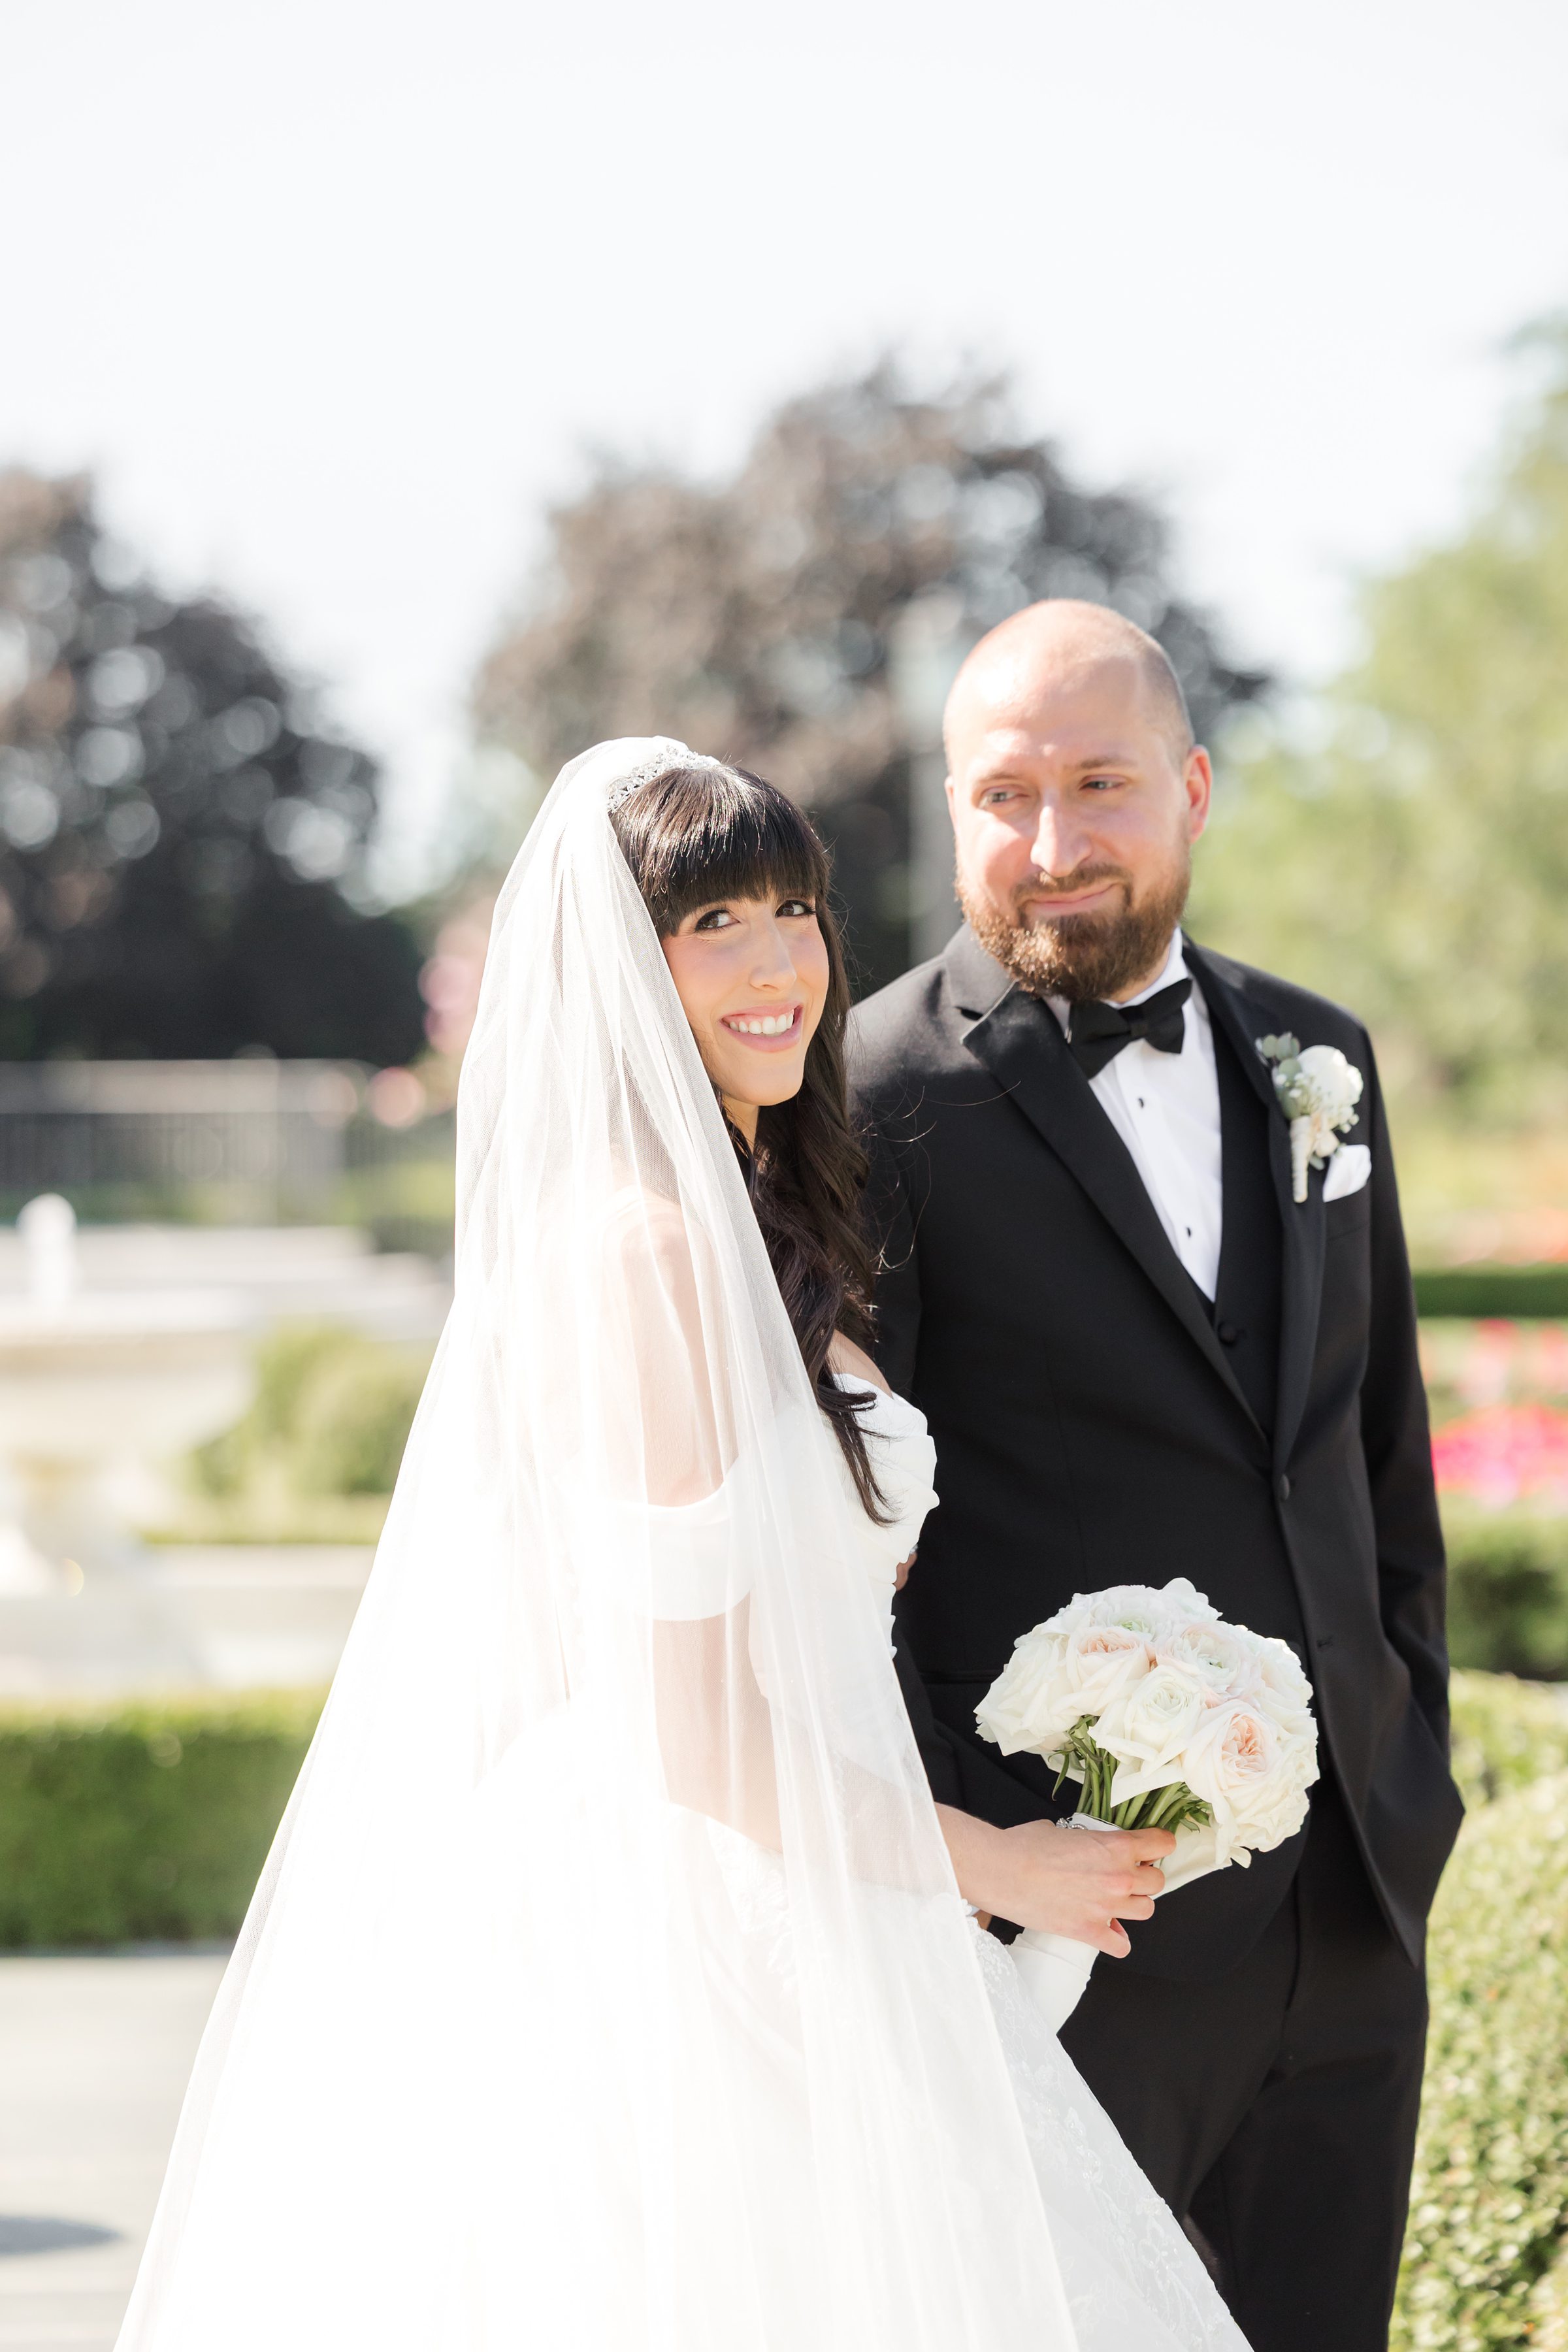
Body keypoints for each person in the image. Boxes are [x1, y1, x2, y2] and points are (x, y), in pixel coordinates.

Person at [114, 738, 1247, 2352]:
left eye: (795, 909)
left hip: (802, 1891)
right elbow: (691, 1725)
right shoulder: (643, 1250)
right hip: (682, 1936)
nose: (782, 961)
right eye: (717, 924)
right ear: (617, 968)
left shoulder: (751, 1218)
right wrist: (1000, 1866)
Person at [848, 604, 1464, 2352]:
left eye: (1100, 783)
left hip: (1350, 1905)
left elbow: (1374, 1446)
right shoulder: (875, 1092)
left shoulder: (1313, 1056)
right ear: (956, 810)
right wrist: (976, 1870)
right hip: (1068, 1936)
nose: (1053, 846)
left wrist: (1408, 1750)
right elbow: (845, 1530)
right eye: (1005, 793)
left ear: (1191, 790)